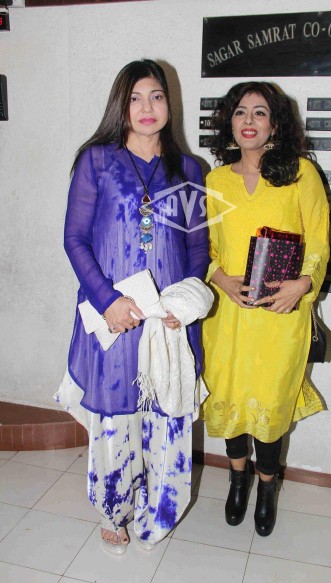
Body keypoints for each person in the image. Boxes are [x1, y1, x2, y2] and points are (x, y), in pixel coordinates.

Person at [54, 59, 210, 554]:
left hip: (168, 320)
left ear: (169, 104)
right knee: (116, 416)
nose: (147, 107)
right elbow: (75, 239)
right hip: (115, 317)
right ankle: (113, 508)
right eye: (136, 98)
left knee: (166, 412)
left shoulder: (189, 170)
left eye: (156, 97)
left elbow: (198, 248)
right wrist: (108, 301)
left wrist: (184, 304)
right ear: (120, 106)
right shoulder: (96, 161)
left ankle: (157, 512)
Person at [202, 81, 330, 537]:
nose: (249, 120)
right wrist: (219, 277)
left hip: (280, 316)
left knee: (271, 405)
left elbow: (319, 239)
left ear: (275, 124)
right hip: (228, 316)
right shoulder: (215, 181)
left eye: (260, 112)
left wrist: (304, 283)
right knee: (230, 397)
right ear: (229, 122)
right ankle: (238, 478)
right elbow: (203, 247)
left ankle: (268, 484)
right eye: (240, 112)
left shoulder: (300, 174)